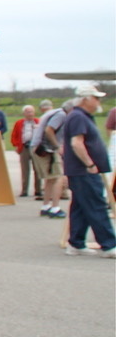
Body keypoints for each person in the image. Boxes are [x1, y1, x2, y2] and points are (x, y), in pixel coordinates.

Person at [60, 85, 115, 257]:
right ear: (85, 99)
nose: (99, 101)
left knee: (81, 206)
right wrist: (90, 164)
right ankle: (109, 244)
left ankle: (76, 243)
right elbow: (77, 143)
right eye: (96, 98)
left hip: (81, 170)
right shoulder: (78, 117)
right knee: (96, 205)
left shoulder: (82, 116)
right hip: (83, 170)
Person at [35, 100, 72, 219]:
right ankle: (55, 207)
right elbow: (49, 130)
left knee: (50, 178)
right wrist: (57, 146)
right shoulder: (61, 115)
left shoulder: (57, 113)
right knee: (58, 177)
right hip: (46, 148)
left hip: (39, 147)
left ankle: (46, 206)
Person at [10, 105, 41, 199]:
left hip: (35, 147)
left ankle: (38, 190)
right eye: (28, 112)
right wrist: (16, 145)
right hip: (24, 147)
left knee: (37, 169)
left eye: (31, 112)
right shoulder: (19, 123)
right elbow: (14, 135)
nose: (30, 114)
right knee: (25, 169)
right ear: (24, 113)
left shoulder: (38, 121)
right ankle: (24, 190)